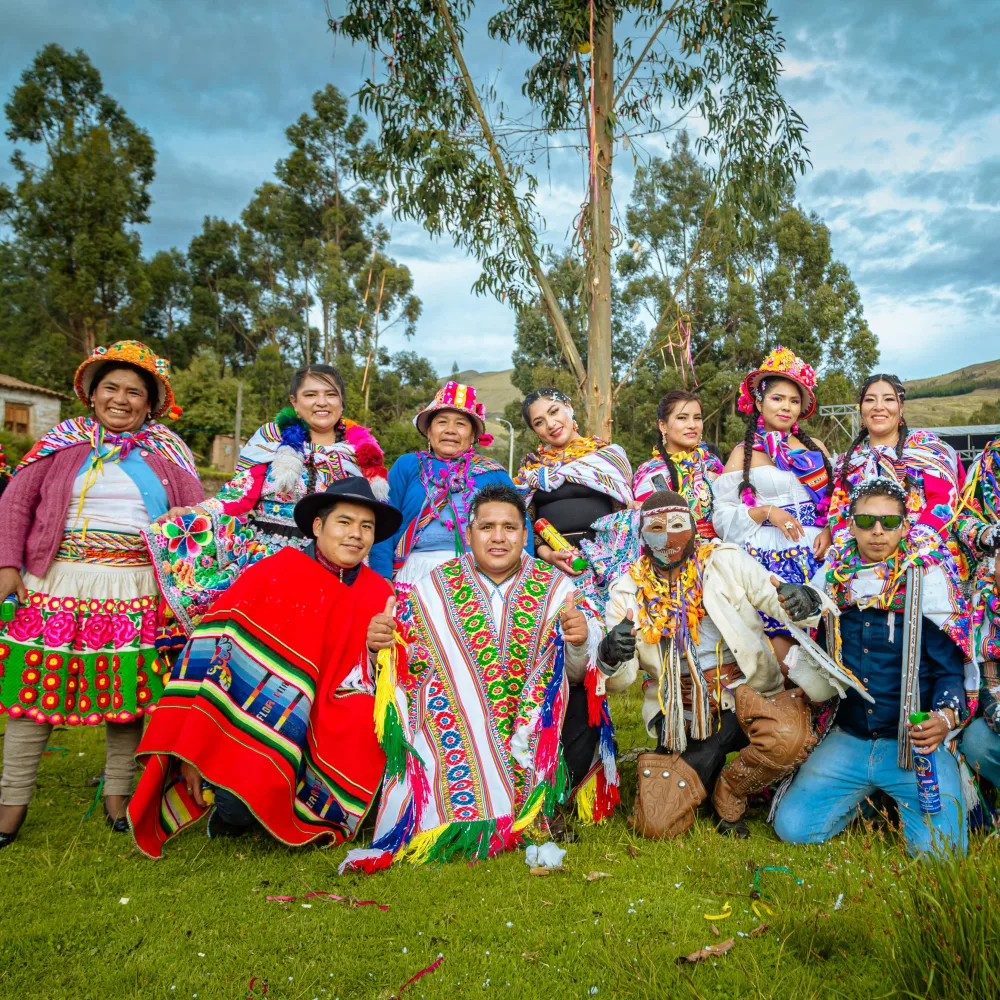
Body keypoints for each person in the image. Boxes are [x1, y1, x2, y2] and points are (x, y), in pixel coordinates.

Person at [341, 483, 617, 872]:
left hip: (533, 730)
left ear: (525, 534)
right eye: (487, 527)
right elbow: (401, 671)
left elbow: (575, 677)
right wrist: (378, 647)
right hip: (457, 731)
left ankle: (543, 803)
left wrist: (579, 641)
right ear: (469, 534)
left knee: (583, 710)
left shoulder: (558, 589)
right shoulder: (431, 589)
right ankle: (482, 807)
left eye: (510, 527)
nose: (498, 537)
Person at [128, 477, 402, 857]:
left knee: (364, 718)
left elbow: (382, 677)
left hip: (329, 717)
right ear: (318, 526)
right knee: (237, 812)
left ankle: (315, 806)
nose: (356, 534)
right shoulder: (274, 572)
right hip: (258, 714)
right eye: (345, 522)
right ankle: (231, 796)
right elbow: (215, 654)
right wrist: (192, 744)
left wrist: (375, 650)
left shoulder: (378, 592)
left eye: (366, 526)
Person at [0, 341, 203, 846]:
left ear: (150, 404)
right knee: (31, 692)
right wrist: (6, 565)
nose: (120, 399)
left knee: (126, 696)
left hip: (135, 586)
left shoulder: (169, 452)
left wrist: (184, 523)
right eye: (110, 388)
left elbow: (199, 519)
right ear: (91, 394)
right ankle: (11, 802)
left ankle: (118, 794)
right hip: (56, 581)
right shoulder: (61, 443)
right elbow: (16, 503)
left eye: (134, 392)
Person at [597, 490, 841, 840]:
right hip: (682, 709)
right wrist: (611, 653)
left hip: (748, 692)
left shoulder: (724, 560)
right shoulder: (627, 590)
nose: (669, 538)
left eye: (678, 525)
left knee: (789, 738)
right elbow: (620, 681)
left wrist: (804, 601)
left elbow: (776, 597)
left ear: (694, 529)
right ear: (642, 537)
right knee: (656, 824)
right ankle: (698, 770)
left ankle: (731, 790)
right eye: (657, 528)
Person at [774, 477, 971, 857]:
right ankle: (870, 797)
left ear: (905, 526)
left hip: (911, 743)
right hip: (849, 734)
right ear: (850, 526)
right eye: (866, 521)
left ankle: (889, 794)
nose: (877, 531)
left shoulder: (928, 581)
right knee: (794, 828)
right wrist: (802, 603)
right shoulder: (833, 578)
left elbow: (950, 671)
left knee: (940, 854)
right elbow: (812, 622)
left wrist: (944, 719)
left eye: (889, 522)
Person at [145, 364, 388, 634]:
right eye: (310, 394)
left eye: (331, 394)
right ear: (294, 402)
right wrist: (196, 511)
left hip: (332, 562)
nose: (321, 402)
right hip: (269, 559)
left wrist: (380, 574)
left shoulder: (360, 453)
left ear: (341, 401)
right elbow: (240, 493)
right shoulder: (270, 440)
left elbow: (371, 521)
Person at [713, 346, 834, 666]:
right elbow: (721, 514)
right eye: (778, 398)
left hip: (817, 551)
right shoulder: (743, 453)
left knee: (824, 636)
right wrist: (766, 512)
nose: (786, 407)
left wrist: (830, 529)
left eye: (794, 401)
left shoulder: (816, 448)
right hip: (766, 552)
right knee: (779, 641)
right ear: (759, 402)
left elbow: (839, 500)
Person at [370, 381, 523, 587]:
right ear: (429, 431)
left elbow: (519, 526)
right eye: (442, 422)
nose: (450, 430)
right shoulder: (408, 466)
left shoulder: (493, 473)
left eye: (460, 424)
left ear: (472, 436)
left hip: (480, 574)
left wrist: (521, 578)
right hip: (414, 574)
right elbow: (383, 521)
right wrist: (382, 577)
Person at [827, 373, 969, 577]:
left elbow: (943, 501)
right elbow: (838, 512)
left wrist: (906, 551)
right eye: (870, 400)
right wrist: (853, 553)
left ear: (901, 407)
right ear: (861, 408)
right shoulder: (849, 462)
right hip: (861, 567)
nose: (878, 407)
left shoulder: (926, 448)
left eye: (888, 399)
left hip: (924, 561)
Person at [956, 437, 1000, 793]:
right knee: (979, 743)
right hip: (993, 586)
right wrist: (990, 535)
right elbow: (961, 518)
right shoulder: (991, 460)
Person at [632, 389, 724, 537]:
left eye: (697, 418)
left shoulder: (712, 464)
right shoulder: (651, 473)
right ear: (663, 426)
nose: (692, 425)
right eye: (682, 418)